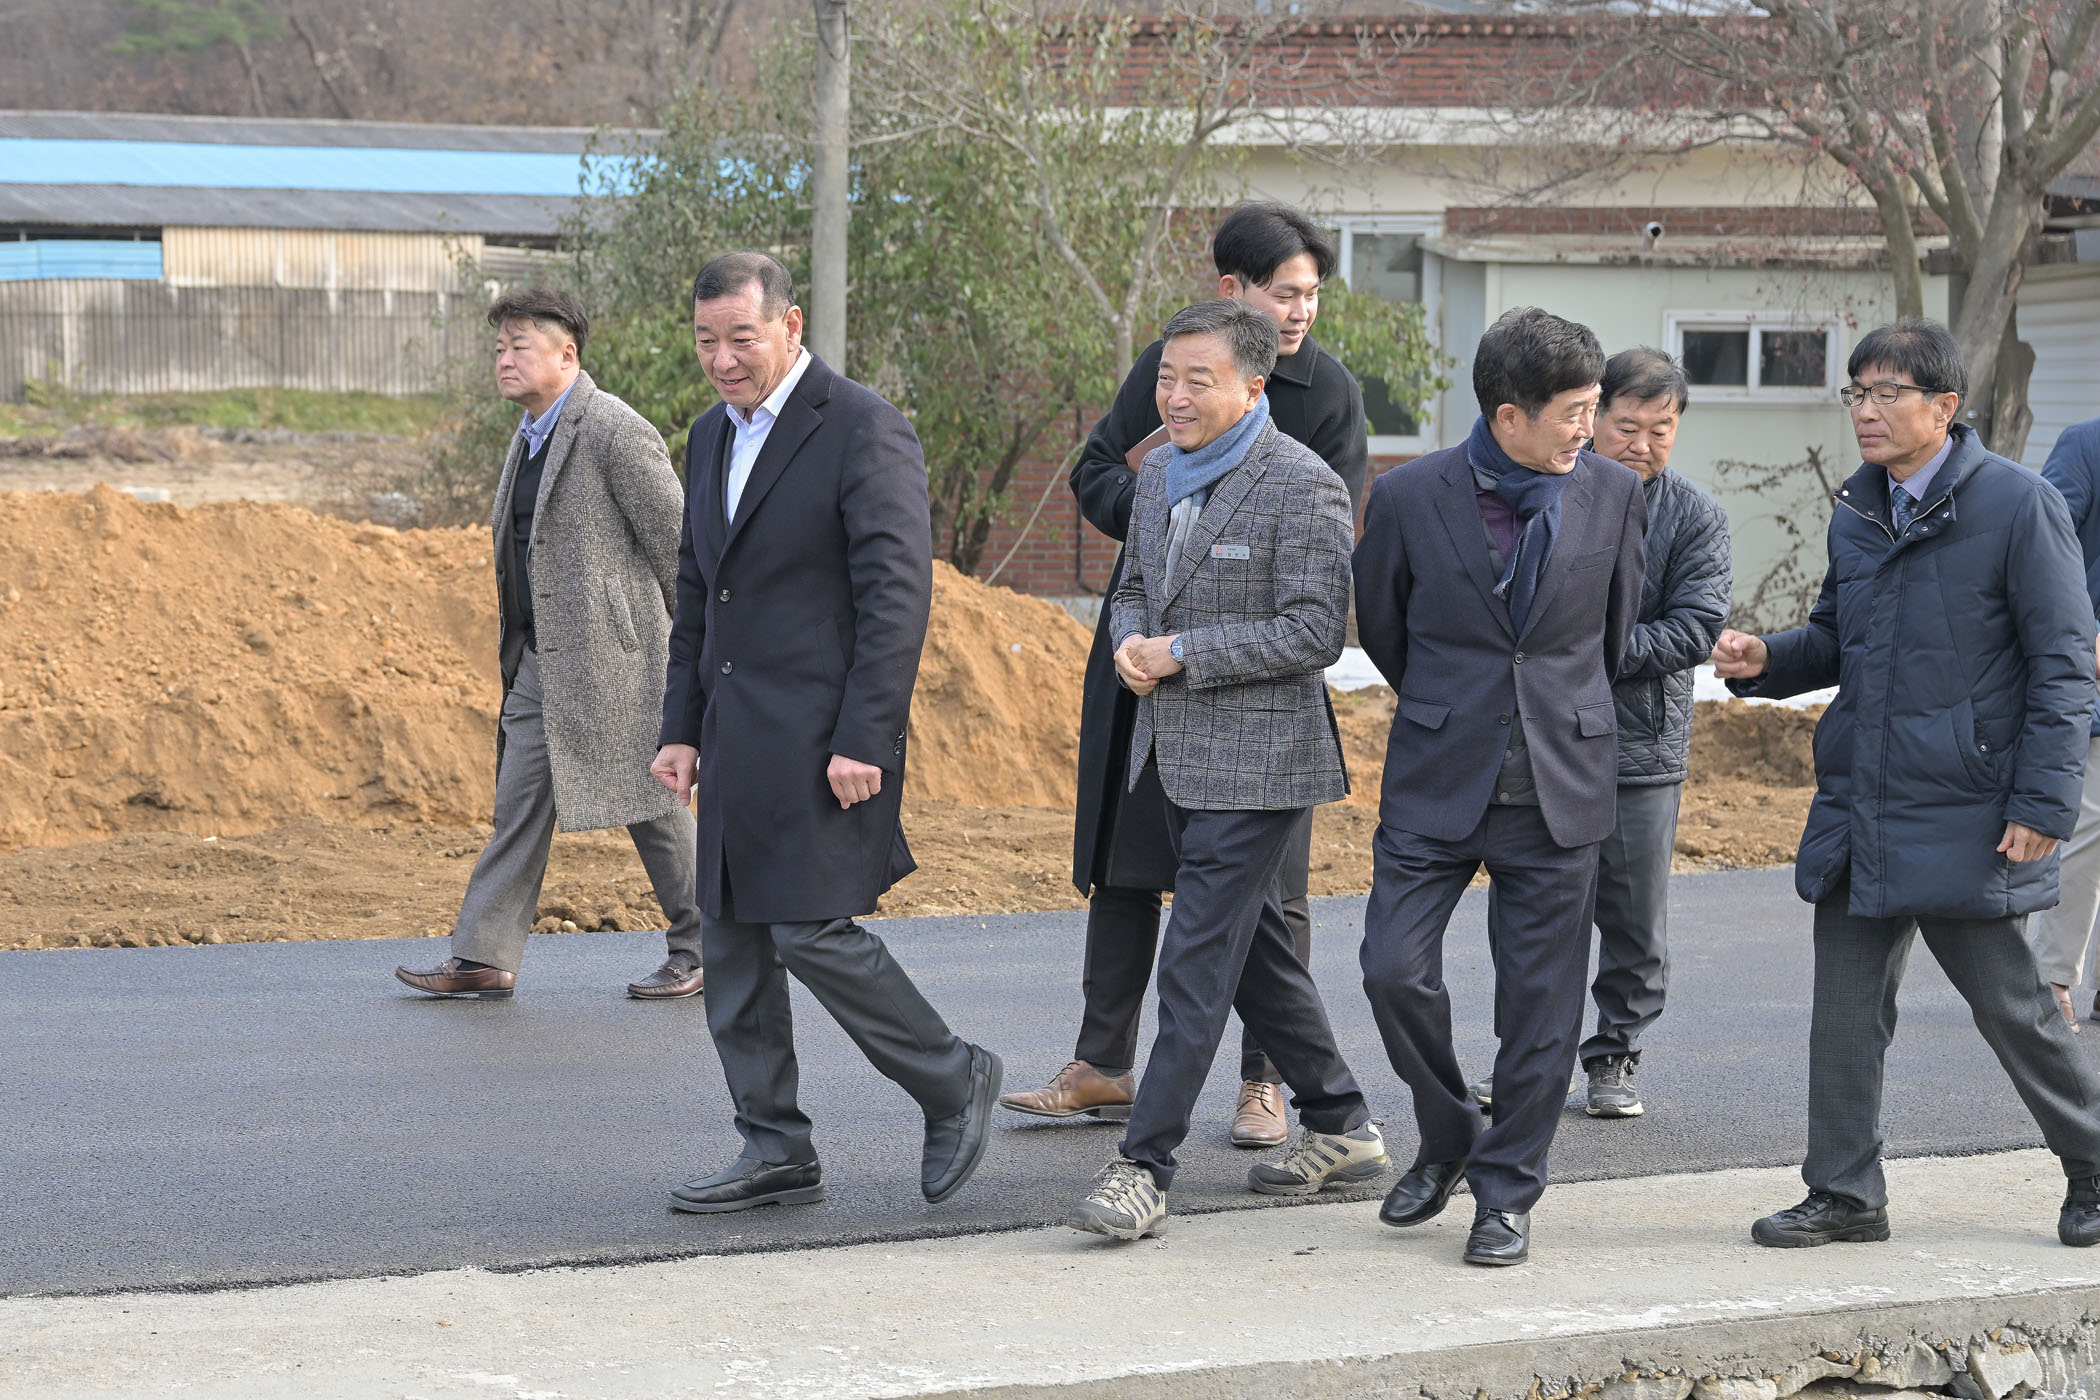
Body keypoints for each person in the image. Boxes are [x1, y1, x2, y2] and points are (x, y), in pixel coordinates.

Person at [1714, 318, 2100, 1251]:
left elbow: (2063, 667)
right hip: (1864, 800)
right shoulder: (1860, 508)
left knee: (2014, 1009)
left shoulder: (2017, 505)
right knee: (1845, 1012)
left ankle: (2093, 1164)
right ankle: (1846, 1192)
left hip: (1969, 807)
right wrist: (1768, 658)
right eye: (1859, 392)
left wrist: (2043, 804)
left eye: (1889, 392)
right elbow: (1839, 637)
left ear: (1944, 406)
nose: (1868, 410)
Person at [1004, 201, 1369, 1150]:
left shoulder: (1324, 407)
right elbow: (1101, 476)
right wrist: (1165, 534)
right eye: (1283, 293)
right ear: (1232, 290)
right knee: (1125, 872)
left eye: (1310, 295)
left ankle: (1255, 1089)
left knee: (1256, 913)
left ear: (1251, 387)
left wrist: (1199, 600)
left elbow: (1317, 594)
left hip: (1254, 706)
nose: (1300, 311)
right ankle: (1106, 1063)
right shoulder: (1170, 390)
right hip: (1147, 675)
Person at [652, 252, 999, 1215]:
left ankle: (952, 1077)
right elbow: (699, 590)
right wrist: (680, 726)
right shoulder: (710, 436)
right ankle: (773, 1147)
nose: (723, 359)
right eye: (706, 341)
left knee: (810, 929)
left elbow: (896, 598)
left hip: (821, 741)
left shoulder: (860, 427)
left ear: (790, 325)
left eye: (742, 338)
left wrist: (866, 738)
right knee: (730, 942)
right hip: (733, 736)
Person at [1064, 299, 1384, 1242]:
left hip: (1261, 764)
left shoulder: (1305, 484)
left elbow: (1314, 632)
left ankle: (1145, 1166)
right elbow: (1132, 587)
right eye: (1167, 378)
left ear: (1252, 385)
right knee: (1258, 956)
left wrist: (1180, 653)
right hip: (1166, 752)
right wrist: (1129, 643)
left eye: (1196, 381)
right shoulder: (1160, 473)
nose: (1174, 397)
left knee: (1196, 959)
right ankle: (1343, 1122)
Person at [1354, 307, 1646, 1267]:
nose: (1590, 429)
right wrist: (1460, 709)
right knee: (1392, 969)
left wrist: (1552, 714)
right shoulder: (1409, 497)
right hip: (1438, 777)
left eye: (1594, 408)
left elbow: (1611, 634)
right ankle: (1448, 1136)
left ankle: (1507, 1192)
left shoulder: (1613, 492)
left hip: (1562, 780)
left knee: (1540, 1009)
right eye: (1575, 412)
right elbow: (1386, 630)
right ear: (1508, 414)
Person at [395, 289, 705, 1002]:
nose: (504, 360)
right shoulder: (532, 432)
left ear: (567, 354)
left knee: (653, 806)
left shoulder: (615, 430)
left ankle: (707, 945)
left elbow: (681, 550)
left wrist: (692, 665)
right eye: (499, 347)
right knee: (520, 805)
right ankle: (483, 954)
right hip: (543, 662)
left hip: (621, 664)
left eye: (520, 346)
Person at [1469, 348, 1730, 1118]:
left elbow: (1696, 628)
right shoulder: (1543, 493)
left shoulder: (1695, 517)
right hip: (1541, 742)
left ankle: (1616, 1051)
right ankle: (1526, 1056)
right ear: (1592, 417)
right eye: (1626, 426)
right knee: (1533, 912)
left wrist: (1583, 650)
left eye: (1661, 429)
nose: (1642, 444)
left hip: (1639, 746)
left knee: (1633, 916)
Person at [2031, 413, 2100, 1028]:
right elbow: (2046, 551)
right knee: (2087, 830)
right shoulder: (2086, 445)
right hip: (2092, 673)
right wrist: (2086, 635)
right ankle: (2050, 979)